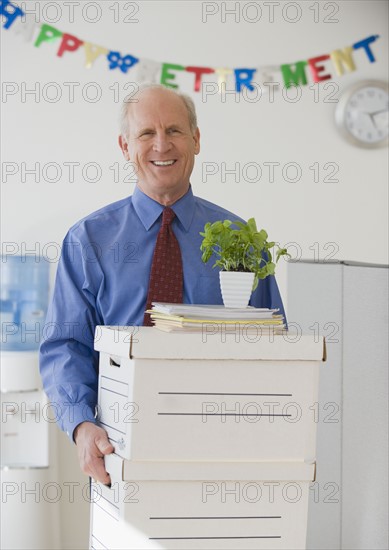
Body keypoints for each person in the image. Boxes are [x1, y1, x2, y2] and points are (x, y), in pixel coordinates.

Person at [39, 83, 286, 485]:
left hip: (225, 448)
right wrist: (81, 425)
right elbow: (66, 345)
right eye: (146, 134)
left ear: (196, 139)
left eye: (174, 130)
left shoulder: (243, 241)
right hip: (118, 447)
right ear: (124, 146)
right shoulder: (89, 241)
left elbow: (273, 348)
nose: (161, 145)